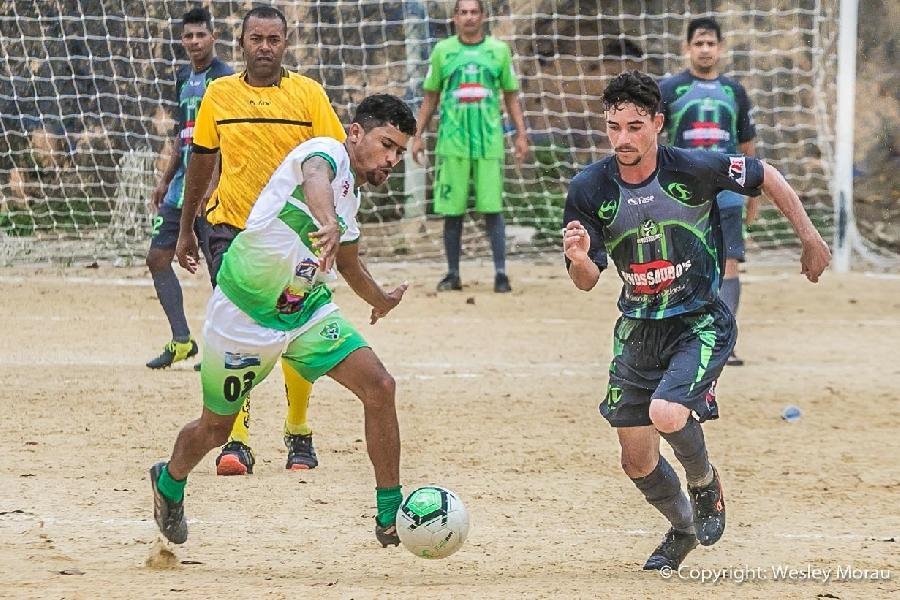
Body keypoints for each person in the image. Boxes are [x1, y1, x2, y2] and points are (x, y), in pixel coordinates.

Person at [562, 71, 830, 571]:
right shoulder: (588, 188)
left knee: (668, 413)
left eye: (635, 126)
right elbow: (587, 279)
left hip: (699, 319)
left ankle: (705, 483)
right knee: (636, 461)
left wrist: (810, 238)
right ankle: (681, 530)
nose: (623, 138)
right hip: (639, 329)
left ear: (658, 124)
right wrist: (579, 259)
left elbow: (763, 173)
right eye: (614, 127)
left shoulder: (692, 168)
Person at [151, 93, 416, 549]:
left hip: (303, 310)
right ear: (356, 133)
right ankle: (169, 482)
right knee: (215, 429)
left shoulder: (351, 197)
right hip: (244, 315)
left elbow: (349, 264)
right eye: (386, 144)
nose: (391, 159)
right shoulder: (327, 153)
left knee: (381, 387)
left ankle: (390, 513)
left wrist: (381, 299)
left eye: (399, 152)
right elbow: (315, 178)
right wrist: (326, 219)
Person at [175, 6, 347, 476]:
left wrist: (334, 226)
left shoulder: (309, 95)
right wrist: (187, 225)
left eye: (274, 39)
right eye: (257, 39)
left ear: (285, 44)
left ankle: (298, 431)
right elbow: (202, 162)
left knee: (292, 326)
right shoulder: (218, 94)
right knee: (242, 330)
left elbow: (334, 162)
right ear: (242, 42)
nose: (265, 47)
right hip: (230, 229)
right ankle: (237, 440)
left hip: (295, 239)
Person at [411, 0, 529, 293]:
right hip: (452, 142)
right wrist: (417, 134)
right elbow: (431, 96)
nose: (469, 17)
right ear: (455, 17)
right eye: (463, 12)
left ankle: (501, 274)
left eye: (474, 12)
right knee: (452, 211)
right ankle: (453, 274)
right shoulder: (443, 51)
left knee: (493, 209)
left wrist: (520, 134)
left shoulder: (498, 51)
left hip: (489, 142)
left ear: (483, 16)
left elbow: (512, 95)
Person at [659, 17, 758, 366]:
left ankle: (723, 341)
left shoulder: (734, 91)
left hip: (728, 194)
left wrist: (753, 194)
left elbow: (747, 146)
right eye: (698, 43)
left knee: (729, 263)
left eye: (710, 43)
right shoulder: (669, 90)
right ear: (687, 48)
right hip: (682, 194)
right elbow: (652, 141)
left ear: (720, 48)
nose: (704, 50)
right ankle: (680, 338)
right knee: (679, 265)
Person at [145, 7, 232, 370]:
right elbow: (184, 136)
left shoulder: (226, 78)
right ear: (182, 41)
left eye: (201, 35)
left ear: (214, 36)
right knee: (157, 258)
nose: (194, 42)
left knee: (220, 271)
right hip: (183, 186)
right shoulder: (183, 77)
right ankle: (182, 341)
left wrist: (213, 187)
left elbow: (227, 138)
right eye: (188, 36)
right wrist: (166, 181)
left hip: (213, 187)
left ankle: (221, 347)